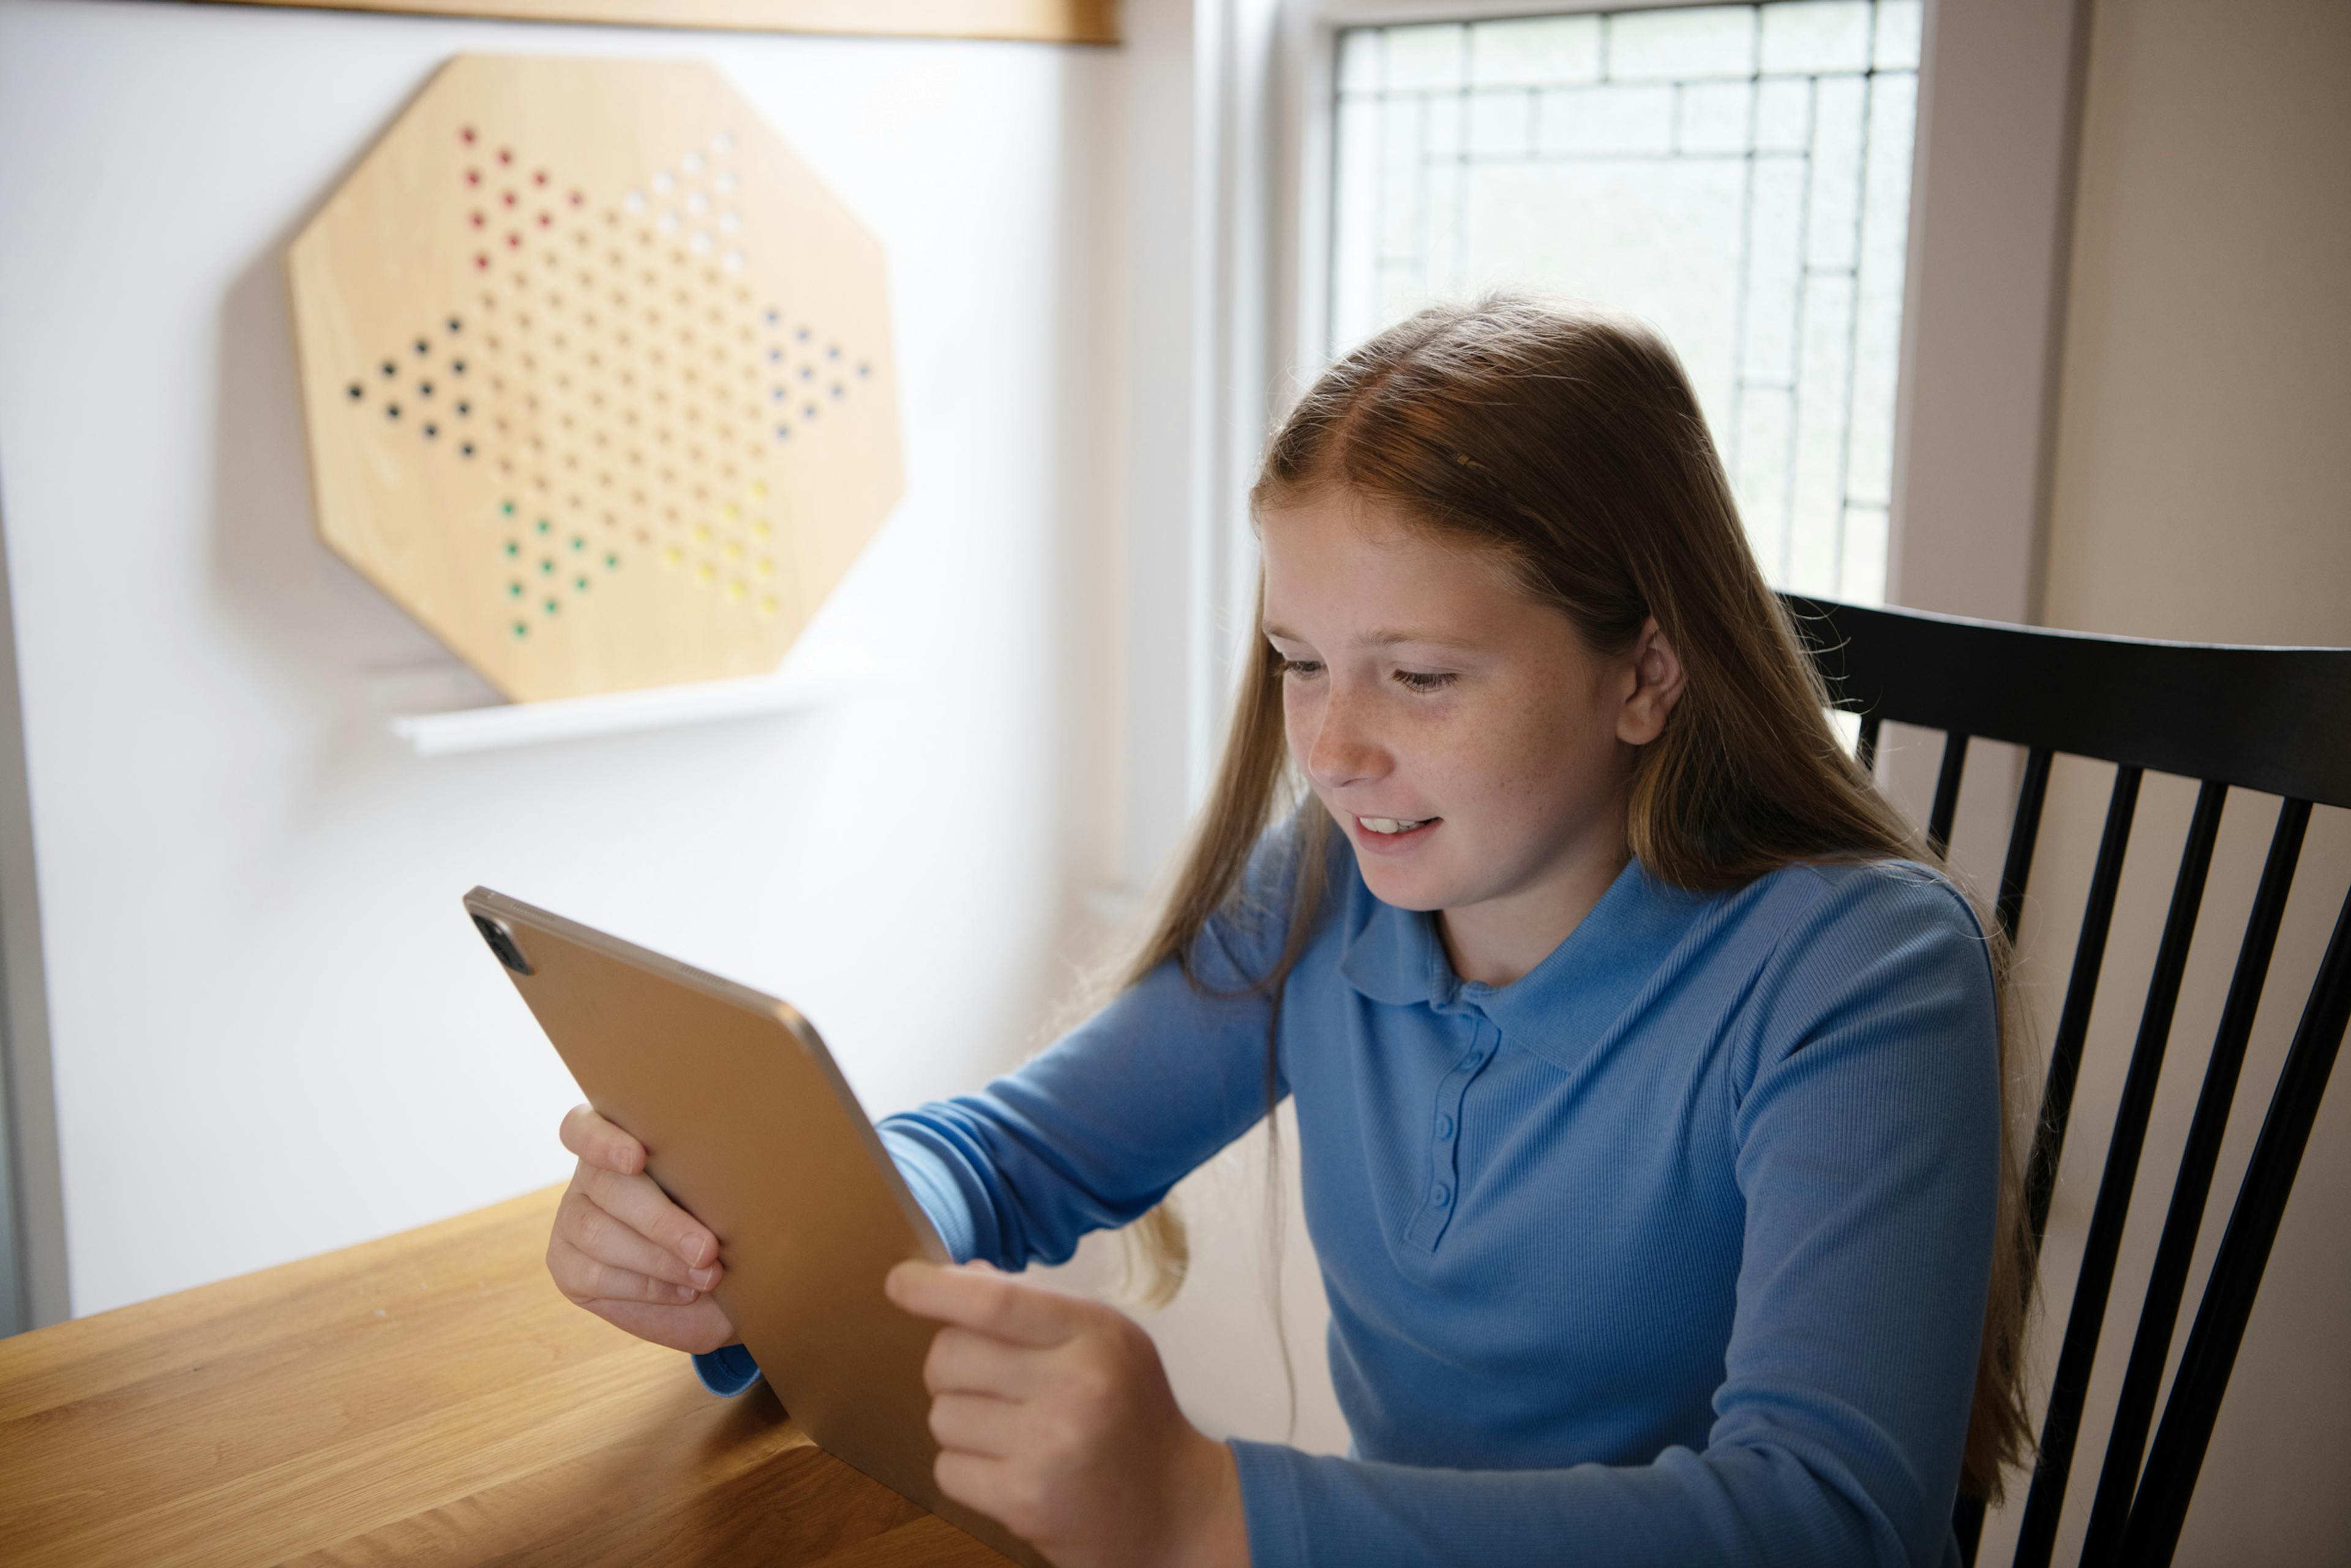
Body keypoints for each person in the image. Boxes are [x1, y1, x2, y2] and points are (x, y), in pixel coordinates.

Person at [542, 295, 2034, 1568]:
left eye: (1421, 676)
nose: (1331, 750)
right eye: (1299, 661)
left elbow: (1826, 1522)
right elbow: (1015, 1155)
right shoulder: (1329, 884)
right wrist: (744, 1245)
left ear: (1647, 673)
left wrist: (1208, 1510)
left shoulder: (1861, 970)